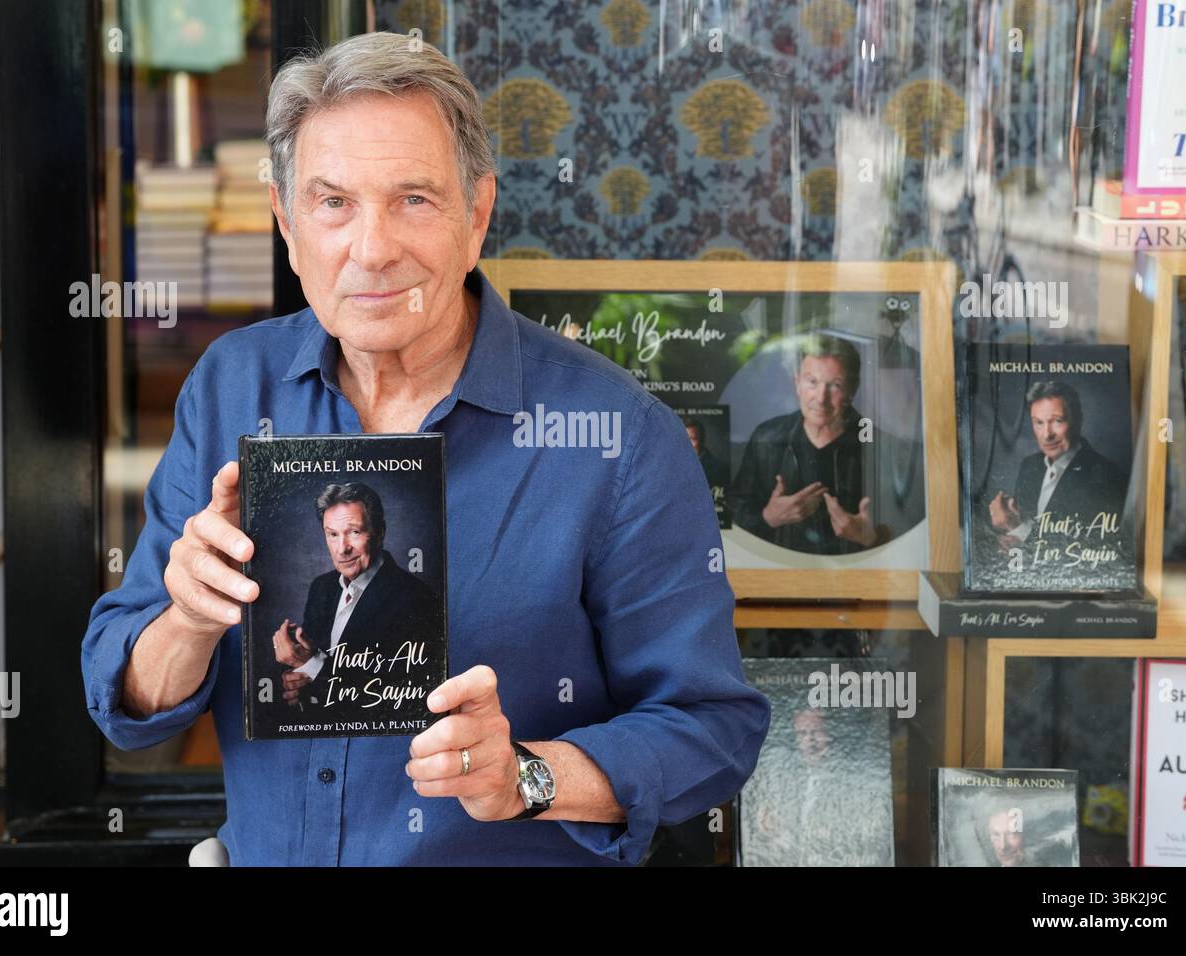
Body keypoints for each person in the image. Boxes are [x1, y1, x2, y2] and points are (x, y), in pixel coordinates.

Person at [79, 32, 769, 866]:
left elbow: (711, 728)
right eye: (332, 202)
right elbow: (123, 699)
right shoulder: (232, 385)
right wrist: (187, 619)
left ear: (476, 214)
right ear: (285, 221)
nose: (372, 249)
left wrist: (528, 777)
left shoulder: (617, 434)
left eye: (414, 199)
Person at [726, 333, 922, 554]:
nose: (821, 398)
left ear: (852, 390)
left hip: (859, 577)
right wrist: (768, 517)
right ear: (797, 383)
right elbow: (732, 510)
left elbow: (914, 531)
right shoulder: (768, 436)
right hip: (780, 572)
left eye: (835, 385)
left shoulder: (880, 446)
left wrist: (871, 538)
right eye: (812, 382)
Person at [272, 482, 441, 710]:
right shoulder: (321, 588)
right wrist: (298, 683)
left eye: (354, 532)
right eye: (332, 534)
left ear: (379, 532)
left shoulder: (416, 599)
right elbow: (317, 677)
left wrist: (308, 666)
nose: (342, 548)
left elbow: (400, 697)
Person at [988, 380, 1129, 551]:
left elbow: (1082, 554)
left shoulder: (1106, 477)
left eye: (1057, 421)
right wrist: (1011, 541)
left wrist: (1015, 528)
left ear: (1078, 420)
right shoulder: (1029, 466)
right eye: (1038, 423)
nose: (1047, 435)